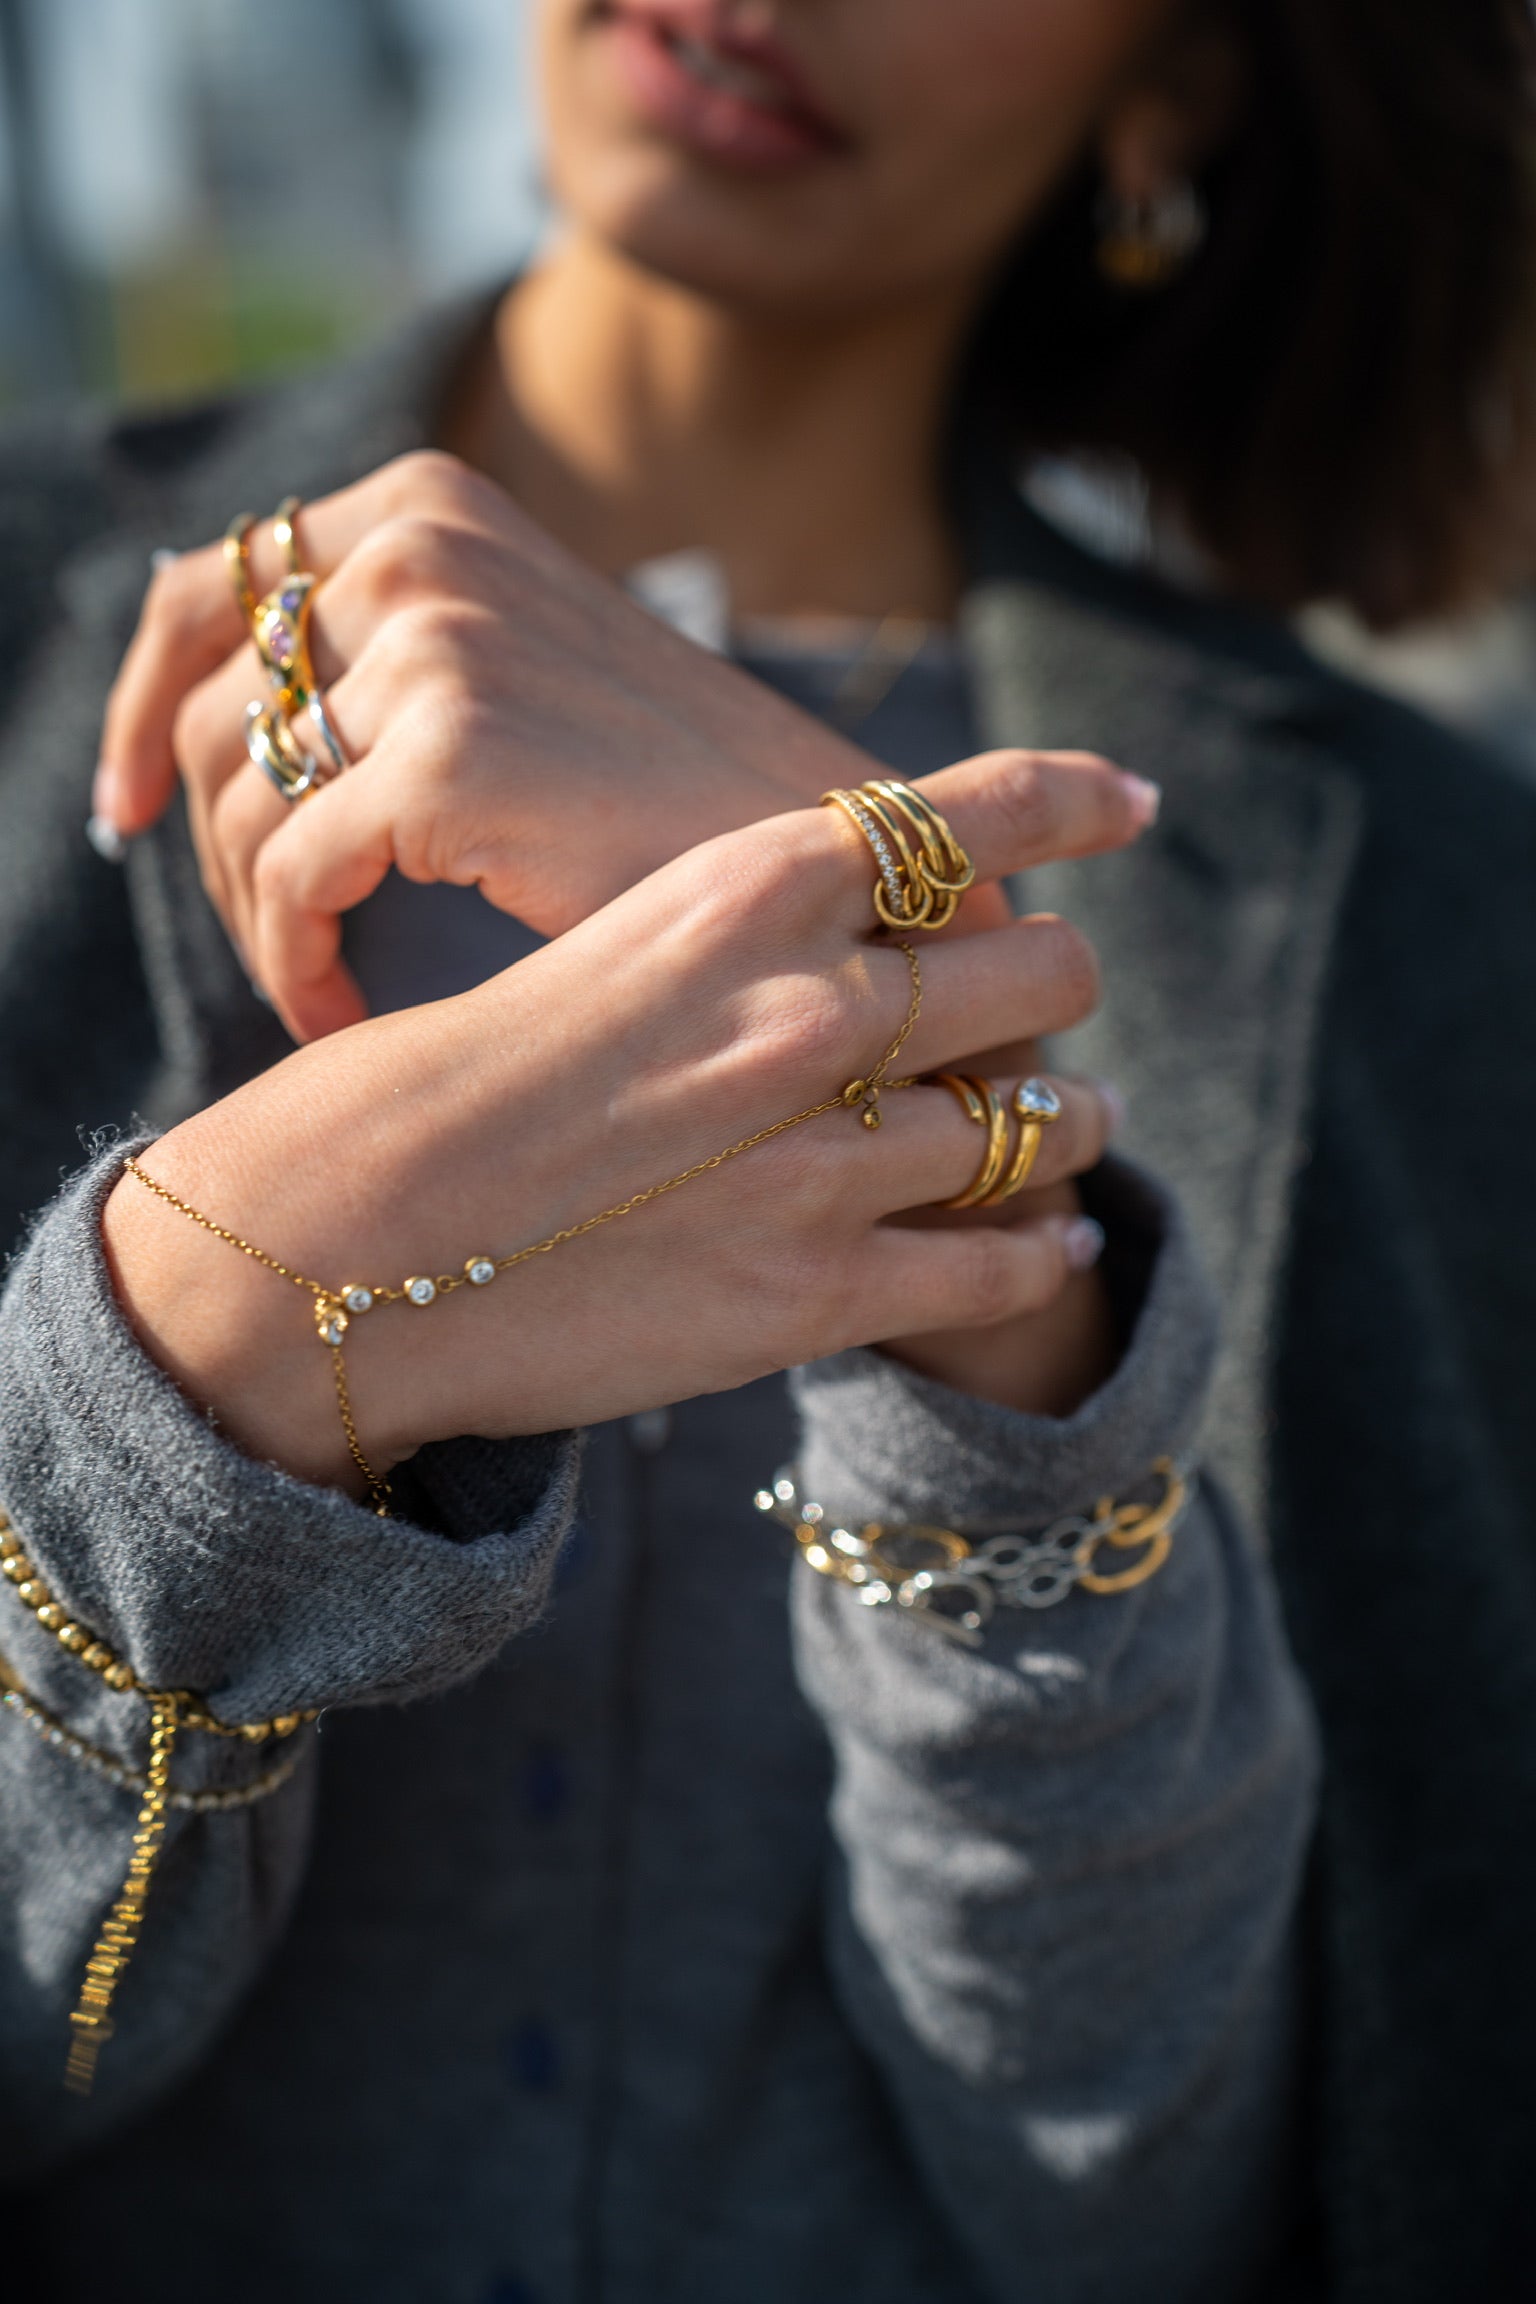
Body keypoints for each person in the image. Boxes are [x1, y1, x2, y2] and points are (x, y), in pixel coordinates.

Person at [3, 2, 1535, 2298]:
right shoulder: (22, 620)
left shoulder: (1435, 906)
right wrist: (195, 1351)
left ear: (1177, 80)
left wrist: (980, 1214)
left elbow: (1165, 2204)